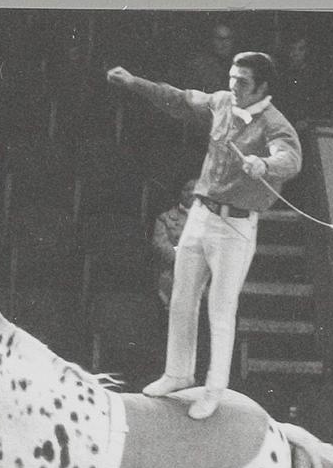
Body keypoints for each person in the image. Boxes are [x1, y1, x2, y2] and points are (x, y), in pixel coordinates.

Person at [107, 52, 302, 420]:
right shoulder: (221, 102)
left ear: (262, 87)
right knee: (182, 296)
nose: (233, 86)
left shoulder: (275, 124)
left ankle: (214, 389)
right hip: (200, 213)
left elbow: (290, 159)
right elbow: (181, 99)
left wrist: (265, 164)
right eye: (232, 77)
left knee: (221, 308)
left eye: (242, 81)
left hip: (235, 225)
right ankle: (177, 373)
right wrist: (134, 82)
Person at [151, 178, 198, 309]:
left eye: (194, 190)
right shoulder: (165, 218)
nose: (191, 193)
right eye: (186, 189)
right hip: (174, 270)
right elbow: (160, 243)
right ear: (179, 192)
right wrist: (183, 257)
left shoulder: (209, 220)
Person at [171, 21, 236, 93]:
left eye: (228, 39)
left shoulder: (236, 64)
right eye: (219, 39)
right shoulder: (197, 65)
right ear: (211, 40)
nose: (224, 44)